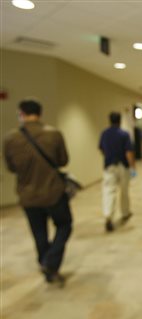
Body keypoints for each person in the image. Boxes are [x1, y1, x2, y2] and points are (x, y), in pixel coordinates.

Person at [3, 99, 72, 285]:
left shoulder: (10, 138)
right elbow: (63, 160)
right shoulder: (54, 134)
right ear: (40, 114)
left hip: (27, 195)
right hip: (53, 192)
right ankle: (51, 262)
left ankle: (46, 261)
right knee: (65, 225)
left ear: (21, 114)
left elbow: (11, 167)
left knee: (38, 232)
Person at [99, 112, 136, 232]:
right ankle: (125, 212)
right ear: (119, 121)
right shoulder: (124, 134)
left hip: (109, 165)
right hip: (122, 165)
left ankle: (108, 215)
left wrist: (108, 156)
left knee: (109, 190)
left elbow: (101, 148)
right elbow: (128, 152)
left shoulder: (104, 133)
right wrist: (133, 167)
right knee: (124, 190)